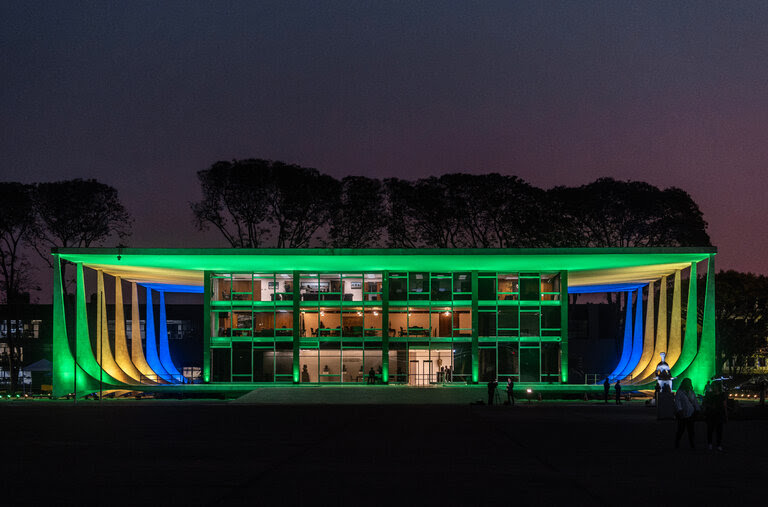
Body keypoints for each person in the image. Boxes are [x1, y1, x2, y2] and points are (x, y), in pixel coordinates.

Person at [674, 378, 701, 449]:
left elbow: (695, 401)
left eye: (689, 382)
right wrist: (679, 410)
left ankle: (692, 444)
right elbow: (677, 402)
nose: (688, 384)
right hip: (682, 413)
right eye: (687, 383)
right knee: (681, 430)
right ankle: (677, 443)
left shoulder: (691, 392)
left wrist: (698, 409)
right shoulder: (679, 392)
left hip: (691, 413)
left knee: (691, 430)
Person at [702, 380, 727, 451]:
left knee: (719, 431)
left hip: (719, 415)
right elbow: (705, 404)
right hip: (711, 415)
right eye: (712, 386)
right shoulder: (709, 394)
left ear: (718, 387)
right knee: (710, 430)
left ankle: (718, 444)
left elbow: (724, 405)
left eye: (714, 386)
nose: (713, 387)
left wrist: (725, 416)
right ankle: (710, 444)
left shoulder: (722, 395)